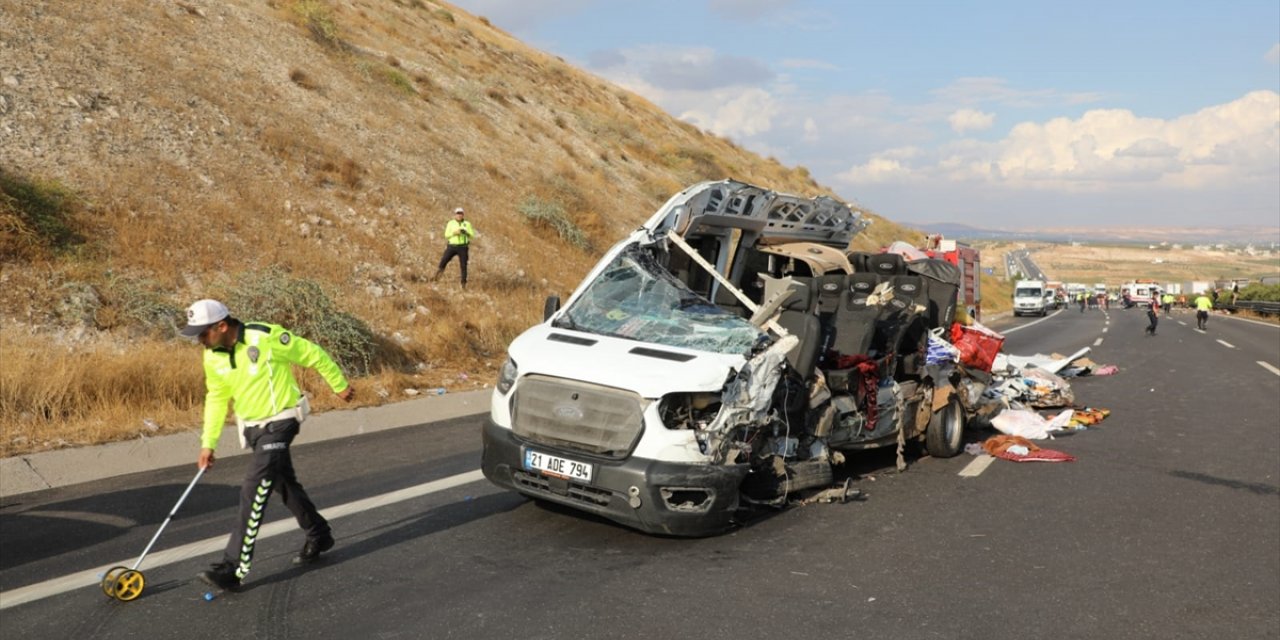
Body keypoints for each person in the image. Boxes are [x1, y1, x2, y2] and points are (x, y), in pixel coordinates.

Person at [182, 299, 354, 591]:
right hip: (251, 429)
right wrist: (208, 443)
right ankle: (319, 534)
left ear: (222, 326)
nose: (199, 340)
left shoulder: (265, 336)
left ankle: (234, 567)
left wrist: (338, 384)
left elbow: (311, 353)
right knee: (283, 483)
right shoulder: (212, 355)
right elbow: (216, 398)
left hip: (282, 420)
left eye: (203, 333)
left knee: (253, 487)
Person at [432, 207, 476, 288]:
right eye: (458, 213)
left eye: (461, 213)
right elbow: (446, 235)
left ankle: (463, 284)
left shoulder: (467, 224)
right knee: (444, 261)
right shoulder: (450, 223)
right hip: (452, 246)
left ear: (463, 215)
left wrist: (466, 233)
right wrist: (454, 233)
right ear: (455, 215)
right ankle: (436, 278)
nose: (459, 215)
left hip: (463, 247)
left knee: (463, 265)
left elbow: (472, 235)